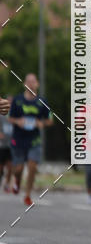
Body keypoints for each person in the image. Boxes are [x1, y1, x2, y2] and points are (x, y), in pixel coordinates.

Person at [9, 73, 53, 206]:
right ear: (24, 84)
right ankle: (16, 180)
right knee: (18, 169)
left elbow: (50, 120)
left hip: (34, 140)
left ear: (37, 84)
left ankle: (27, 195)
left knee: (32, 166)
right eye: (28, 81)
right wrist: (18, 121)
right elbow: (9, 118)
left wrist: (42, 124)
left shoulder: (42, 102)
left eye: (33, 82)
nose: (31, 84)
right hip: (18, 139)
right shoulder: (17, 100)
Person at [0, 96, 13, 192]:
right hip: (1, 145)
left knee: (10, 166)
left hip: (11, 144)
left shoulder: (15, 115)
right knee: (1, 167)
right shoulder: (1, 115)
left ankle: (7, 184)